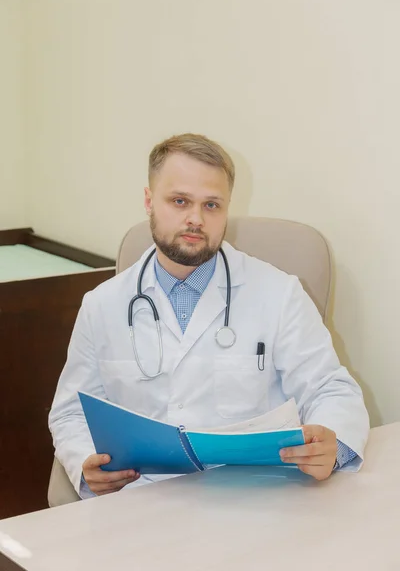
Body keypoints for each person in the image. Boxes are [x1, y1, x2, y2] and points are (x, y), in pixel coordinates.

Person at [49, 133, 369, 498]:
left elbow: (331, 389)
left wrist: (333, 442)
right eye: (180, 201)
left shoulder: (279, 293)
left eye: (212, 205)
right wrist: (86, 461)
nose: (196, 219)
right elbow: (71, 413)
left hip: (253, 497)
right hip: (141, 500)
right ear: (149, 201)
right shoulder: (102, 304)